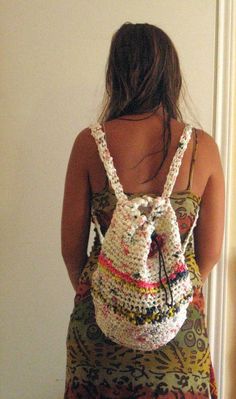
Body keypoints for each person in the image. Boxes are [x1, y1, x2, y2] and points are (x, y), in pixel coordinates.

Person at [61, 22, 224, 399]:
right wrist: (164, 299)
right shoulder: (204, 147)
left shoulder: (90, 143)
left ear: (115, 74)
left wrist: (113, 298)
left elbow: (72, 251)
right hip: (178, 335)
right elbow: (209, 255)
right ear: (171, 74)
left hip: (99, 333)